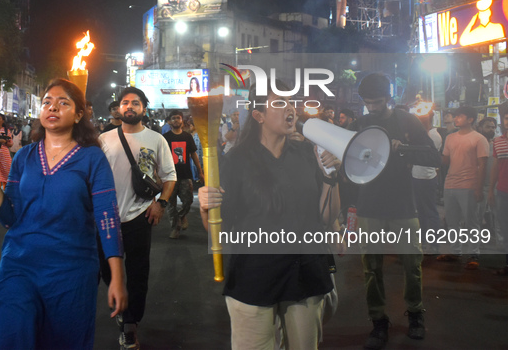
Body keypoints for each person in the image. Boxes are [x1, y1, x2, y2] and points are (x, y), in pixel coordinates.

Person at [0, 78, 127, 349]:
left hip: (71, 269)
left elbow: (107, 217)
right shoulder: (24, 156)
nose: (52, 108)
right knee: (6, 325)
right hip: (20, 262)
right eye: (47, 103)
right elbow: (10, 217)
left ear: (79, 115)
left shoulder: (92, 158)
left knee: (63, 340)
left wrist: (117, 277)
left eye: (63, 103)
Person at [198, 79, 343, 350]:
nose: (290, 109)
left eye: (291, 102)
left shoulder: (308, 155)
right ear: (258, 115)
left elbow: (326, 216)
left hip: (305, 275)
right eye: (279, 103)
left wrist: (330, 178)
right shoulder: (235, 161)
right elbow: (218, 230)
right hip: (253, 277)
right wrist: (207, 208)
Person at [349, 73, 441, 349]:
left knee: (413, 265)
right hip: (369, 205)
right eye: (367, 102)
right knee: (371, 268)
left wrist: (404, 150)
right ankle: (378, 321)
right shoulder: (361, 124)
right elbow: (347, 162)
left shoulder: (406, 121)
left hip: (403, 204)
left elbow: (433, 157)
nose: (372, 107)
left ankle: (415, 315)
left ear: (389, 99)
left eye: (377, 102)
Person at [99, 87, 176, 349]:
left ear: (144, 107)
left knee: (138, 272)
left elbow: (170, 176)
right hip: (106, 219)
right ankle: (123, 307)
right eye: (125, 103)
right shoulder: (104, 139)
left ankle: (131, 323)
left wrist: (161, 204)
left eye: (135, 103)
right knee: (108, 269)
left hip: (140, 216)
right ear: (119, 108)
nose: (129, 106)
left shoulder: (156, 139)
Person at [438, 106, 490, 269]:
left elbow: (483, 165)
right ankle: (456, 251)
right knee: (452, 221)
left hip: (469, 184)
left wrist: (478, 188)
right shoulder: (450, 137)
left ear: (470, 119)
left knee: (471, 221)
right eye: (456, 116)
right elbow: (445, 160)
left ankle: (474, 252)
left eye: (460, 116)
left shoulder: (479, 138)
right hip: (450, 183)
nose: (456, 119)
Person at [163, 110, 204, 239]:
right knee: (171, 204)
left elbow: (193, 154)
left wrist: (200, 171)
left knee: (188, 200)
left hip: (186, 175)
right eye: (173, 118)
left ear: (182, 121)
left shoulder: (187, 137)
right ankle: (175, 228)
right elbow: (161, 157)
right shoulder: (166, 138)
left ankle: (181, 216)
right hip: (170, 176)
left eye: (178, 118)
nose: (176, 120)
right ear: (169, 121)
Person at [412, 110, 443, 255]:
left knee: (431, 211)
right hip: (416, 176)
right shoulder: (420, 134)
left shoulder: (433, 135)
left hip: (428, 178)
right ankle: (423, 242)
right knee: (420, 212)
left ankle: (435, 244)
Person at [489, 107, 508, 275]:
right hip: (502, 191)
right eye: (506, 117)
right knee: (505, 226)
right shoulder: (498, 141)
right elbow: (495, 167)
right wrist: (490, 191)